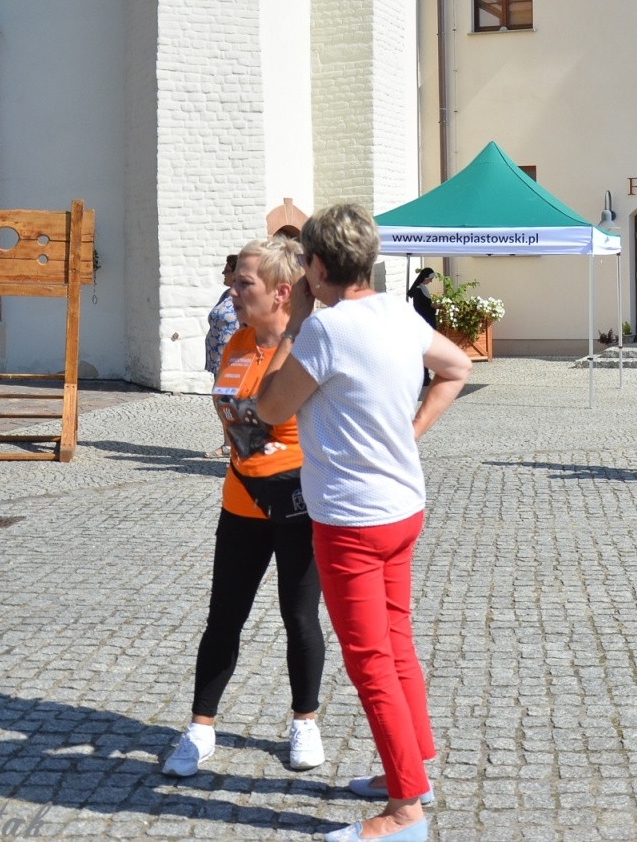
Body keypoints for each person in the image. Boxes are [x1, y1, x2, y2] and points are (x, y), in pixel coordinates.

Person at [255, 203, 472, 842]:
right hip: (403, 507)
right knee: (396, 642)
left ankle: (406, 812)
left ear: (318, 266)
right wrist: (409, 433)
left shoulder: (326, 331)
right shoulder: (399, 314)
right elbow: (456, 368)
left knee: (370, 659)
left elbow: (269, 407)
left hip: (351, 520)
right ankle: (414, 768)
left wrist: (293, 325)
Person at [162, 237, 328, 779]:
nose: (232, 290)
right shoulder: (236, 344)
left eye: (243, 283)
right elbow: (243, 429)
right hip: (242, 503)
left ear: (282, 292)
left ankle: (305, 720)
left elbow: (263, 419)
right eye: (234, 282)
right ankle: (200, 728)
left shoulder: (313, 347)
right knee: (223, 619)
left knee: (299, 619)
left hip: (299, 505)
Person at [204, 254, 241, 457]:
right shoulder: (227, 294)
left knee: (229, 400)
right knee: (221, 400)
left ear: (236, 273)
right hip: (218, 357)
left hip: (234, 357)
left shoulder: (244, 294)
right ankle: (229, 443)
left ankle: (234, 444)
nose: (223, 273)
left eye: (226, 270)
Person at [407, 268, 438, 386]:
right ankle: (424, 377)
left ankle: (426, 376)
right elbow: (419, 309)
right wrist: (432, 307)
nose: (431, 281)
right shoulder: (418, 290)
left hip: (427, 321)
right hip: (424, 323)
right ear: (425, 278)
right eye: (430, 279)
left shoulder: (422, 289)